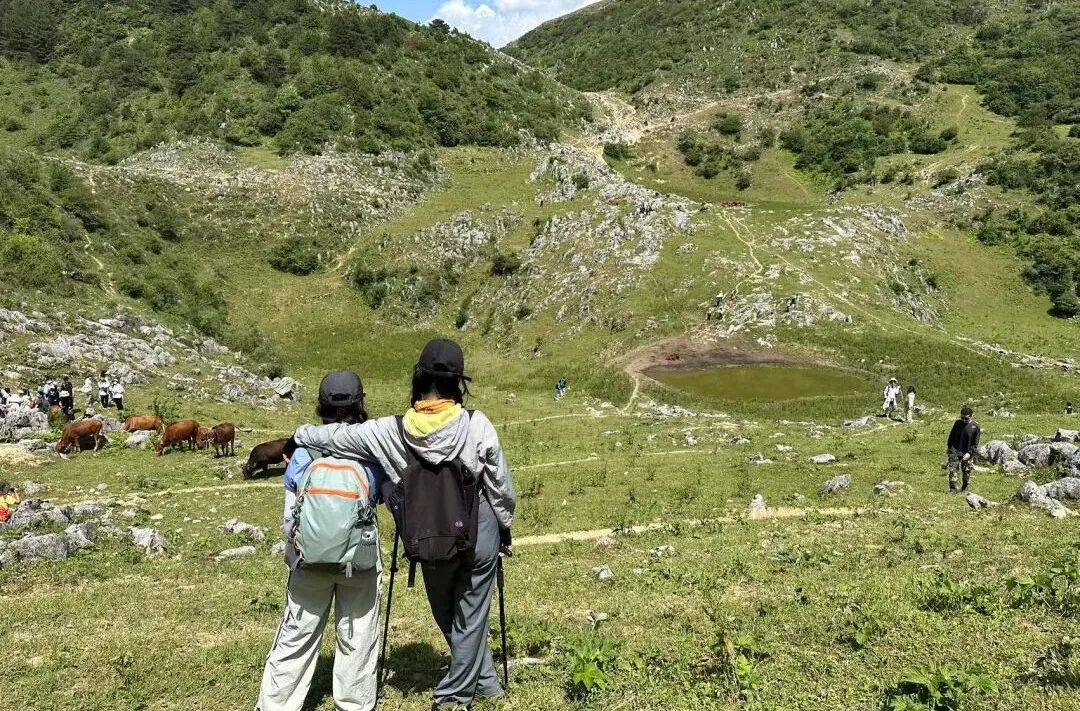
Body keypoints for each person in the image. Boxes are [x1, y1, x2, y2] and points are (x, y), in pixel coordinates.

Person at [289, 339, 516, 710]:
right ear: (458, 382)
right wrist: (504, 524)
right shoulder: (477, 423)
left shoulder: (390, 430)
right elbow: (500, 484)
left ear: (419, 378)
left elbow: (338, 437)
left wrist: (300, 435)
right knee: (471, 613)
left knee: (446, 611)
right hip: (480, 530)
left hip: (429, 537)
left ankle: (469, 689)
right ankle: (471, 688)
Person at [257, 371, 385, 711]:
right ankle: (354, 704)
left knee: (296, 635)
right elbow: (380, 497)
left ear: (321, 406)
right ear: (361, 403)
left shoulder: (302, 453)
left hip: (307, 559)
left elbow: (290, 515)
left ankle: (276, 705)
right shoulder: (370, 449)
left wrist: (295, 553)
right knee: (358, 635)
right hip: (358, 560)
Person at [946, 405, 981, 493]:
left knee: (966, 471)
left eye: (966, 418)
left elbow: (975, 444)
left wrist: (969, 453)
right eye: (962, 418)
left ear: (971, 416)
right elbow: (951, 437)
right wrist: (949, 448)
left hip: (968, 453)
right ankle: (953, 489)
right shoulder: (957, 423)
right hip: (955, 450)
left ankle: (965, 489)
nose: (964, 420)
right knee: (953, 471)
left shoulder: (975, 427)